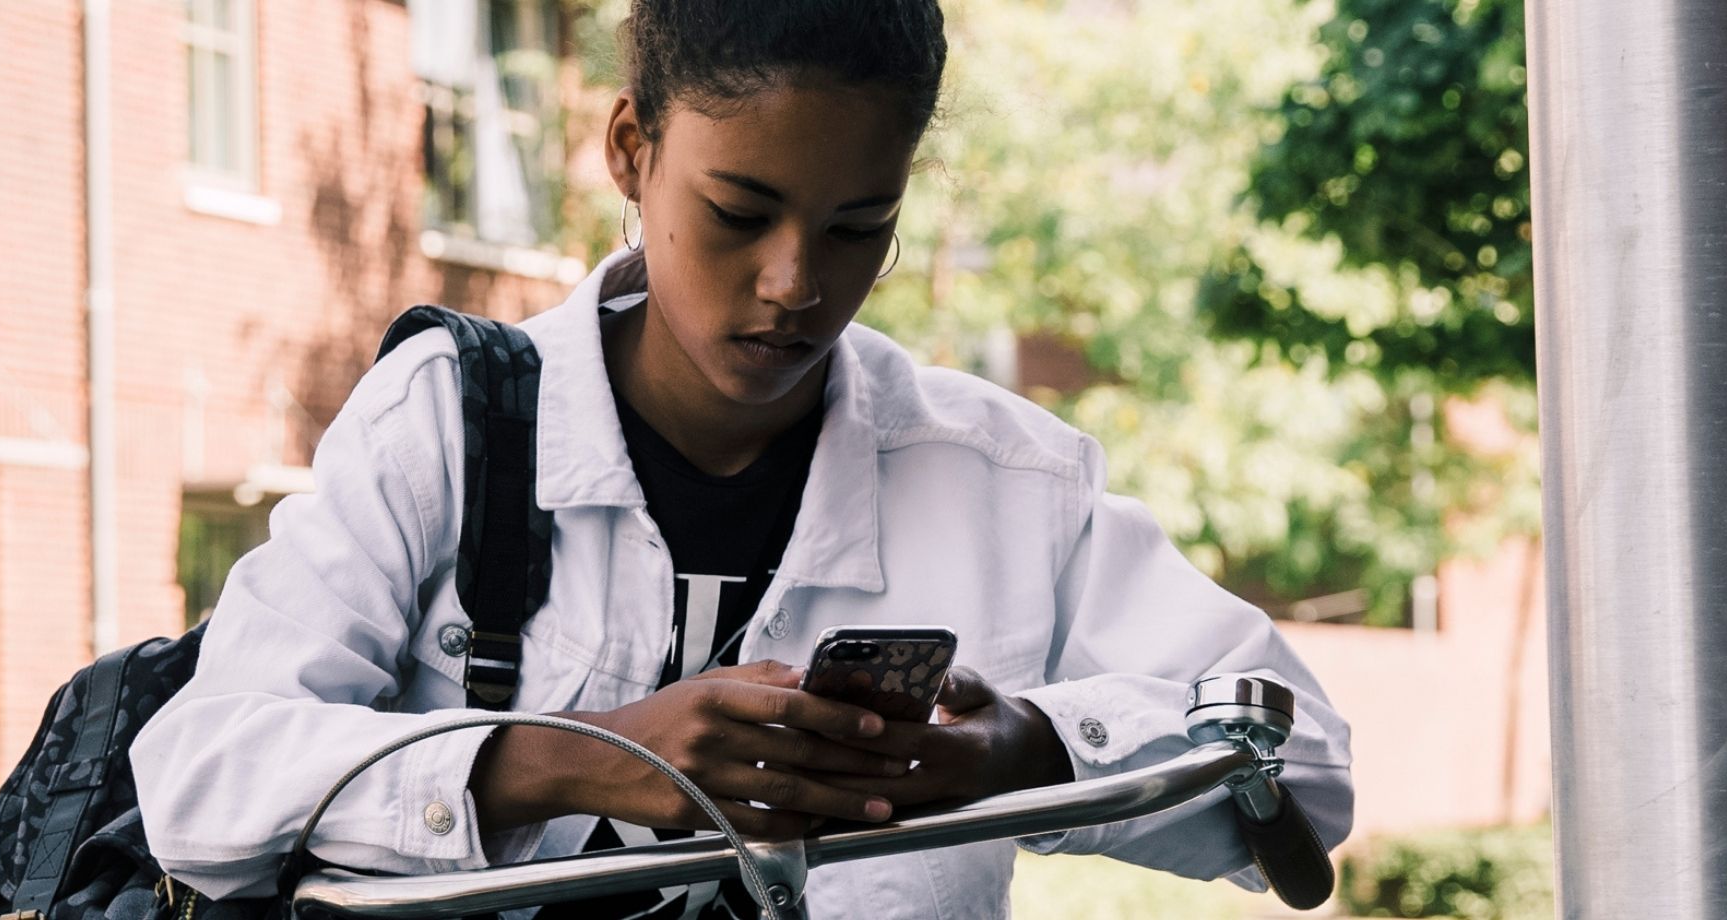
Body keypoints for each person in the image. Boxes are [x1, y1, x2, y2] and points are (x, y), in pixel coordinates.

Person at [127, 0, 1354, 915]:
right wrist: (587, 753)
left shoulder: (1008, 480)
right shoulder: (441, 421)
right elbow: (203, 779)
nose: (794, 284)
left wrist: (1023, 751)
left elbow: (1308, 775)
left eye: (857, 225)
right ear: (628, 148)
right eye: (738, 211)